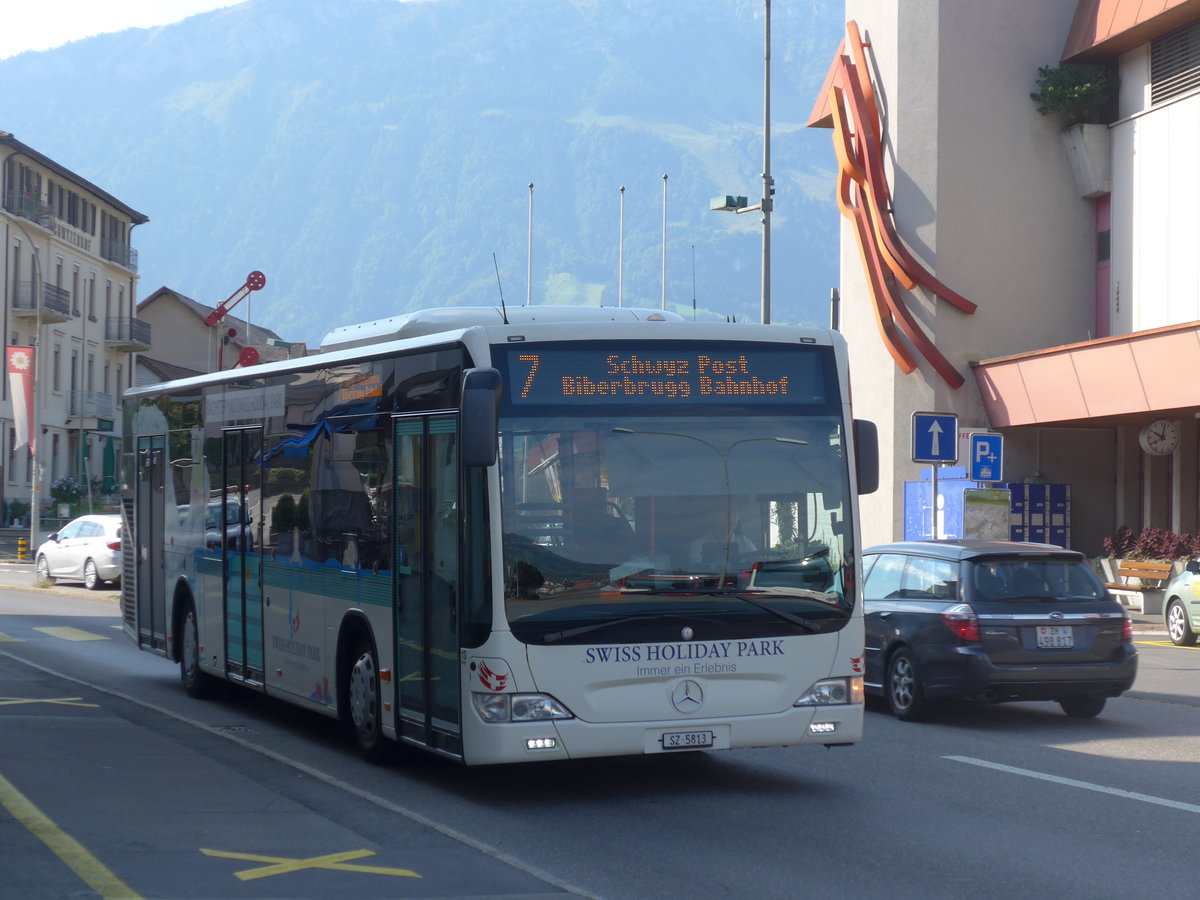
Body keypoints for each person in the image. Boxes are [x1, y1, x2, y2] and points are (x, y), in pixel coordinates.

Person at [688, 504, 757, 568]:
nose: (732, 516)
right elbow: (697, 570)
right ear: (713, 516)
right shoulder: (698, 545)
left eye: (735, 512)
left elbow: (756, 563)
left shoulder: (745, 542)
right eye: (726, 512)